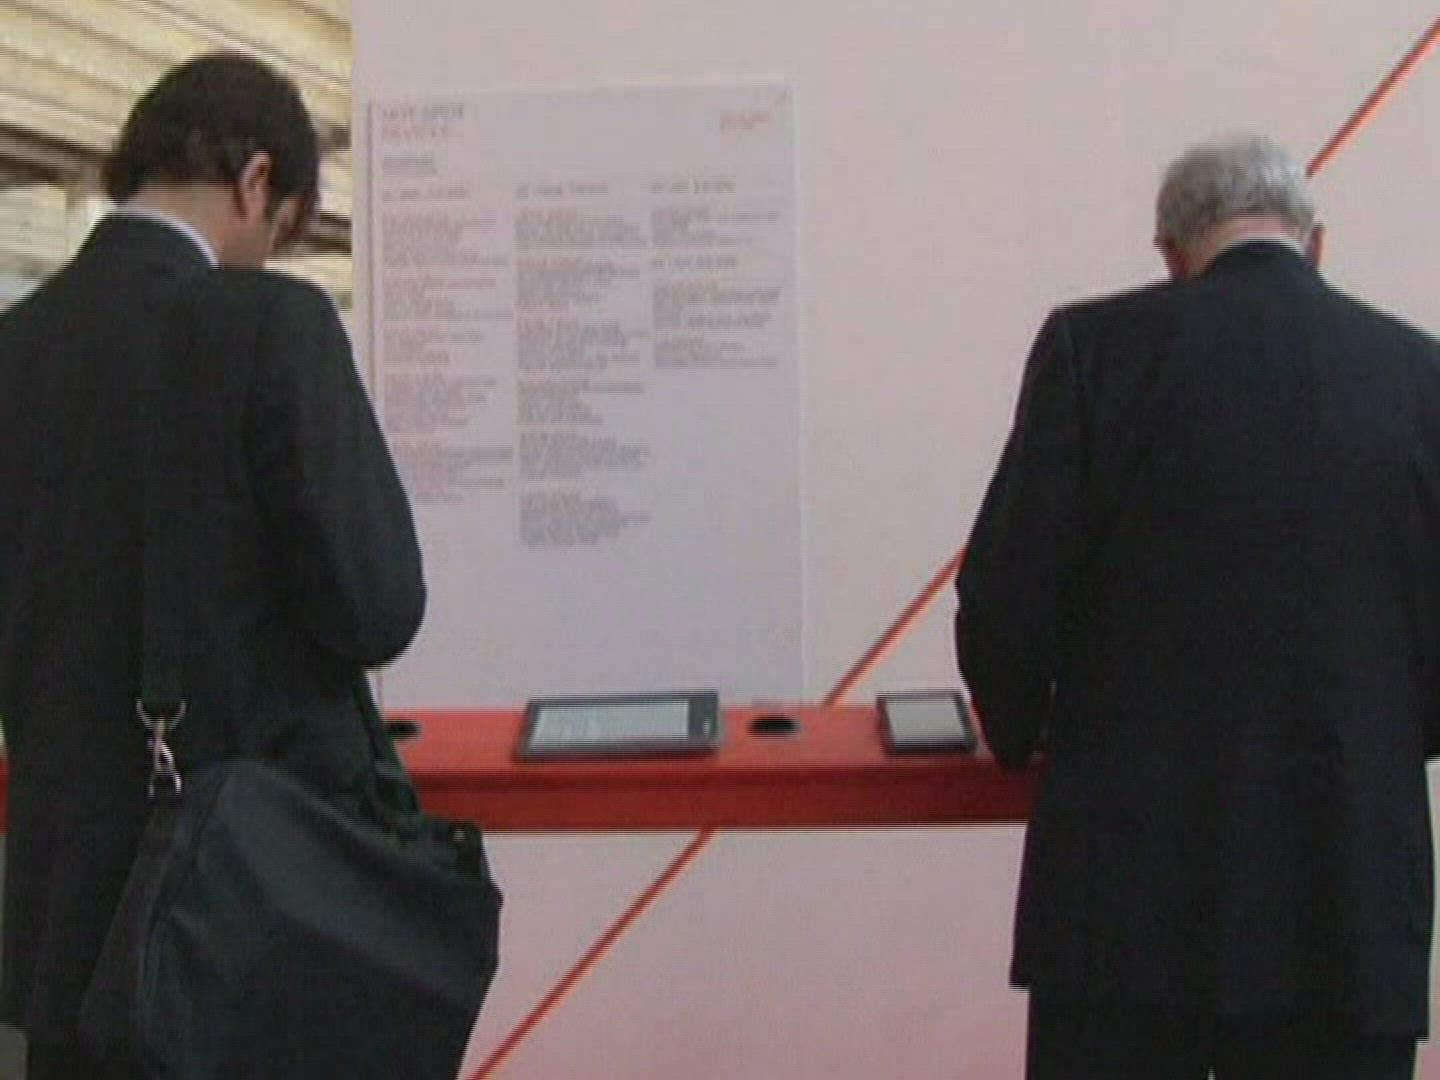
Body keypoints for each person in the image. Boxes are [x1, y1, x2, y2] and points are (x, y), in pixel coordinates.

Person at [956, 134, 1440, 1079]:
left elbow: (1006, 600)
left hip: (1124, 902)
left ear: (1171, 254)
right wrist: (1378, 742)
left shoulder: (1092, 353)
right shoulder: (1420, 377)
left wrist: (1018, 732)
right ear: (1317, 243)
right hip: (1345, 892)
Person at [0, 53, 425, 1078]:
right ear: (256, 181)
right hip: (239, 912)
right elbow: (377, 606)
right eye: (280, 232)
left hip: (61, 937)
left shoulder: (15, 347)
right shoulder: (273, 326)